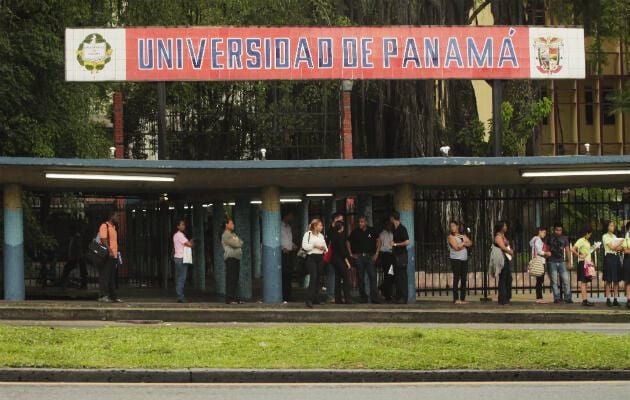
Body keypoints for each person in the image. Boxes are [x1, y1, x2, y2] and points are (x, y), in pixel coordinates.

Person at [347, 215, 381, 304]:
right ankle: (363, 297)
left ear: (366, 222)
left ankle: (374, 297)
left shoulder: (372, 230)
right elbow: (348, 241)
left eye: (362, 222)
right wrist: (351, 254)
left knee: (372, 276)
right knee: (360, 277)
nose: (360, 223)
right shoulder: (355, 232)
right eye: (359, 222)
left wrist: (377, 253)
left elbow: (379, 240)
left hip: (370, 256)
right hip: (359, 257)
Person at [97, 211, 122, 303]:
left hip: (113, 255)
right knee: (105, 276)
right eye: (117, 216)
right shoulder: (105, 226)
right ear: (111, 216)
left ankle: (113, 296)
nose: (118, 218)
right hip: (107, 255)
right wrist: (110, 250)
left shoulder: (114, 227)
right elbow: (103, 239)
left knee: (111, 277)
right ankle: (102, 295)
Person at [571, 226, 600, 307]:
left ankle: (585, 299)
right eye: (589, 234)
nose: (590, 235)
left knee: (586, 282)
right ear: (586, 233)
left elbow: (587, 251)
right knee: (583, 282)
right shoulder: (581, 240)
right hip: (583, 263)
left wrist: (594, 248)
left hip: (587, 262)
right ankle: (584, 300)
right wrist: (579, 255)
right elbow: (572, 249)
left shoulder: (587, 241)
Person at [302, 218, 327, 308]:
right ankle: (308, 299)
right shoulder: (307, 234)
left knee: (318, 278)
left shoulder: (321, 235)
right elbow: (304, 246)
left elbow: (325, 247)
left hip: (320, 257)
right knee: (313, 276)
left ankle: (316, 298)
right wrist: (314, 245)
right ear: (315, 226)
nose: (322, 227)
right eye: (320, 225)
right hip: (311, 257)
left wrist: (324, 248)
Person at [547, 223, 573, 304]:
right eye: (557, 230)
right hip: (552, 261)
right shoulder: (550, 238)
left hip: (562, 261)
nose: (559, 232)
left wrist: (569, 261)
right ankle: (557, 298)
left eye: (560, 230)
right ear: (554, 230)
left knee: (566, 280)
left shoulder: (565, 238)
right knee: (554, 281)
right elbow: (546, 248)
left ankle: (568, 297)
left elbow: (568, 250)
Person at [447, 221, 472, 304]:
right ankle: (456, 299)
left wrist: (463, 244)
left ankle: (463, 298)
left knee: (464, 279)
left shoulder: (462, 235)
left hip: (464, 259)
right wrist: (464, 243)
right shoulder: (450, 237)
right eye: (451, 226)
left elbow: (470, 243)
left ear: (457, 226)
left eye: (454, 226)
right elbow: (456, 247)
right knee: (456, 278)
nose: (452, 228)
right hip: (456, 259)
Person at [389, 211, 410, 304]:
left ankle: (404, 297)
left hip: (402, 256)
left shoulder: (402, 229)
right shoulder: (394, 228)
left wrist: (396, 244)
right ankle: (398, 296)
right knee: (396, 276)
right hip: (395, 255)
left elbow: (407, 242)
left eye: (391, 218)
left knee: (402, 276)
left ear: (393, 218)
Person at [330, 221, 353, 304]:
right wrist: (347, 261)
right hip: (340, 260)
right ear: (342, 227)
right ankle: (347, 298)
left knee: (337, 278)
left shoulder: (333, 236)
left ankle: (338, 298)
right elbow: (342, 251)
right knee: (346, 278)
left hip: (334, 259)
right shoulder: (341, 236)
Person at [222, 218, 244, 305]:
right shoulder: (225, 235)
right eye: (231, 223)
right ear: (226, 225)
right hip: (230, 258)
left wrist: (237, 242)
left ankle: (235, 298)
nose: (233, 225)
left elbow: (241, 242)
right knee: (231, 278)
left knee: (235, 279)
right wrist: (237, 242)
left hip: (236, 258)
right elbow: (236, 244)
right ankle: (229, 299)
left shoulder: (233, 234)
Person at [602, 220, 623, 307]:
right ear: (607, 227)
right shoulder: (605, 236)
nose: (612, 227)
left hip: (615, 257)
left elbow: (620, 248)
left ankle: (615, 299)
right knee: (608, 279)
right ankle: (608, 299)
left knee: (616, 280)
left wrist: (618, 246)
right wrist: (619, 243)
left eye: (613, 226)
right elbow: (612, 247)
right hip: (609, 257)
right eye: (611, 225)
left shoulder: (614, 236)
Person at [492, 221, 513, 306]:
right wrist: (510, 251)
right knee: (503, 278)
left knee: (508, 278)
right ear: (501, 227)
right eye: (504, 225)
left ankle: (506, 297)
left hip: (505, 258)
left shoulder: (502, 236)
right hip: (501, 259)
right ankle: (503, 299)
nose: (506, 227)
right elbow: (503, 247)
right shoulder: (498, 236)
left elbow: (507, 243)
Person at [324, 212, 344, 302]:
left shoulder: (341, 229)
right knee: (331, 275)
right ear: (335, 220)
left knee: (338, 276)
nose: (342, 221)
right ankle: (330, 296)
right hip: (331, 256)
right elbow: (330, 242)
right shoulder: (330, 230)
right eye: (340, 220)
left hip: (339, 256)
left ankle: (338, 295)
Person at [173, 219, 193, 303]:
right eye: (182, 224)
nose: (183, 226)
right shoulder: (180, 235)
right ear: (178, 226)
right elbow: (189, 244)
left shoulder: (175, 235)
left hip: (177, 257)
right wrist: (191, 241)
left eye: (184, 224)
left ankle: (179, 295)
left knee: (179, 277)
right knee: (182, 278)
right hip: (181, 258)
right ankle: (180, 296)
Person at [529, 226, 550, 304]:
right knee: (540, 280)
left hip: (540, 261)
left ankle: (539, 297)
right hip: (540, 261)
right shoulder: (537, 239)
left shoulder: (535, 240)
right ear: (539, 231)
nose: (545, 234)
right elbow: (539, 251)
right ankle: (539, 298)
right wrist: (546, 253)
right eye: (544, 232)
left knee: (539, 280)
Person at [376, 221, 396, 301]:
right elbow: (380, 246)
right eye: (389, 225)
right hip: (386, 255)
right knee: (388, 274)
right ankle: (387, 294)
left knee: (391, 275)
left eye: (391, 225)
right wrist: (388, 248)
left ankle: (383, 287)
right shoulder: (382, 234)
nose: (390, 226)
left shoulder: (392, 234)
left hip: (392, 255)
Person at [281, 211, 297, 303]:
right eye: (290, 216)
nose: (292, 218)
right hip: (283, 253)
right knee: (284, 275)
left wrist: (293, 245)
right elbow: (277, 239)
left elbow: (288, 240)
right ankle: (284, 295)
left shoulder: (289, 227)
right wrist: (283, 248)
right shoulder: (279, 226)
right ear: (286, 215)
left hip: (290, 253)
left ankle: (288, 295)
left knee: (289, 275)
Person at [622, 222, 630, 309]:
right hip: (628, 260)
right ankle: (628, 300)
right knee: (628, 281)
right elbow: (626, 251)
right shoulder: (626, 238)